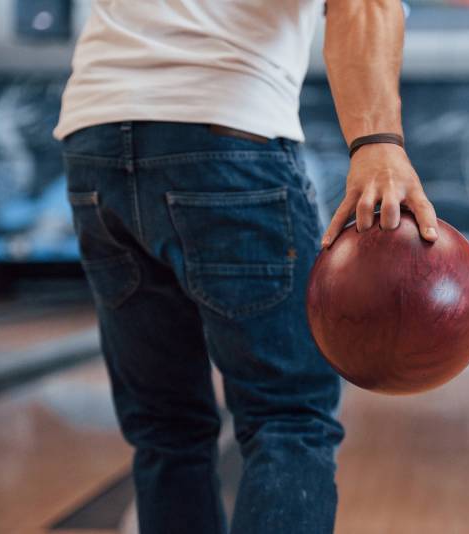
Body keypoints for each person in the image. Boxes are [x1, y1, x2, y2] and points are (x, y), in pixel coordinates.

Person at [54, 1, 438, 533]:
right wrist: (378, 147)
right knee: (288, 419)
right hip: (227, 130)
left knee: (166, 430)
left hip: (93, 140)